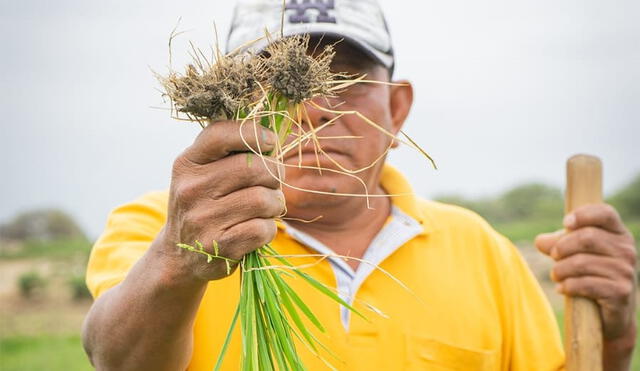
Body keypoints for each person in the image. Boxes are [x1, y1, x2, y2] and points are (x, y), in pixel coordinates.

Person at [82, 0, 637, 370]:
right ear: (228, 105)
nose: (317, 110)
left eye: (345, 81)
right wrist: (177, 263)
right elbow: (116, 358)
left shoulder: (479, 247)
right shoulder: (161, 228)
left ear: (396, 110)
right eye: (279, 84)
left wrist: (613, 340)